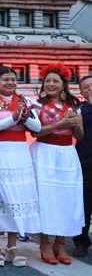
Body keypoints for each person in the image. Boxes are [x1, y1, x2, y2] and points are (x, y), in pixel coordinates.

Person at [0, 66, 41, 267]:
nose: (10, 83)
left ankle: (13, 245)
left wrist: (25, 118)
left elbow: (37, 128)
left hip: (19, 153)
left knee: (17, 197)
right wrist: (12, 118)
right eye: (5, 79)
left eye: (13, 80)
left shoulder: (25, 101)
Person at [30, 64, 84, 265]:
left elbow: (80, 135)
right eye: (48, 81)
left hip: (67, 154)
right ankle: (45, 241)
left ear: (63, 85)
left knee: (66, 197)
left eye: (56, 81)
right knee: (45, 197)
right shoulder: (36, 106)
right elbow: (35, 132)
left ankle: (60, 242)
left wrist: (76, 124)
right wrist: (58, 125)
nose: (51, 84)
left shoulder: (73, 106)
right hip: (44, 153)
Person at [74, 75, 92, 257]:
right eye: (85, 87)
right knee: (84, 204)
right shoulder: (80, 109)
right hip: (85, 161)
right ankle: (81, 242)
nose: (90, 89)